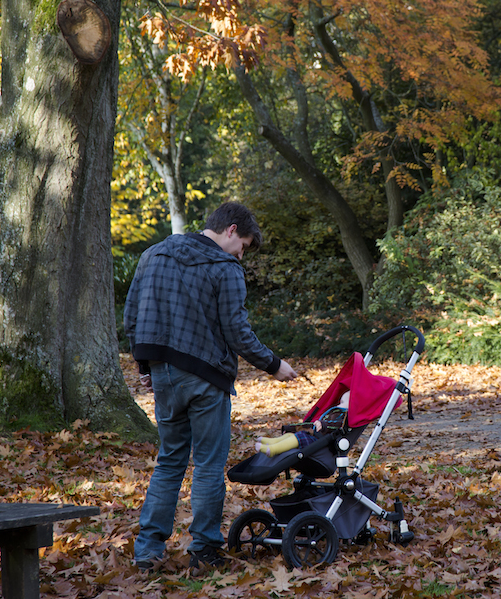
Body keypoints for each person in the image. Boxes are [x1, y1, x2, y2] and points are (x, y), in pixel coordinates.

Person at [124, 201, 298, 573]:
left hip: (164, 374)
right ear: (232, 230)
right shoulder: (226, 268)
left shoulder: (153, 254)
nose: (242, 254)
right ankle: (204, 549)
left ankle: (148, 550)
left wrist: (145, 365)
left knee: (169, 460)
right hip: (206, 377)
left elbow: (133, 315)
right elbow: (237, 332)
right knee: (206, 464)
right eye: (245, 245)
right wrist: (273, 365)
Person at [255, 391, 350, 457]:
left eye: (343, 402)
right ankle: (274, 442)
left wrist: (323, 425)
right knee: (292, 434)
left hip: (323, 443)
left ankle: (273, 449)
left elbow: (336, 425)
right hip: (318, 437)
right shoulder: (338, 411)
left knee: (300, 437)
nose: (339, 404)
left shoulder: (343, 415)